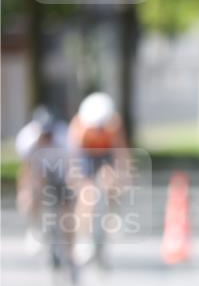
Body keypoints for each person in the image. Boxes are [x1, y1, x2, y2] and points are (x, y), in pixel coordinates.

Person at [66, 92, 128, 267]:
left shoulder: (114, 125)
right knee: (87, 195)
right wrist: (75, 178)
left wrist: (122, 176)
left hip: (105, 156)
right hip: (85, 157)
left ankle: (113, 215)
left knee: (110, 180)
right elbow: (73, 157)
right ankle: (83, 239)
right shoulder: (78, 127)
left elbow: (121, 153)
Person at [15, 106, 70, 257]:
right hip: (39, 172)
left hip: (60, 172)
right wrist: (24, 192)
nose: (46, 137)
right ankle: (34, 229)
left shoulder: (64, 137)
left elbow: (71, 167)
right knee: (31, 192)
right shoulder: (27, 139)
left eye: (49, 133)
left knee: (66, 205)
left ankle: (69, 248)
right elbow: (25, 170)